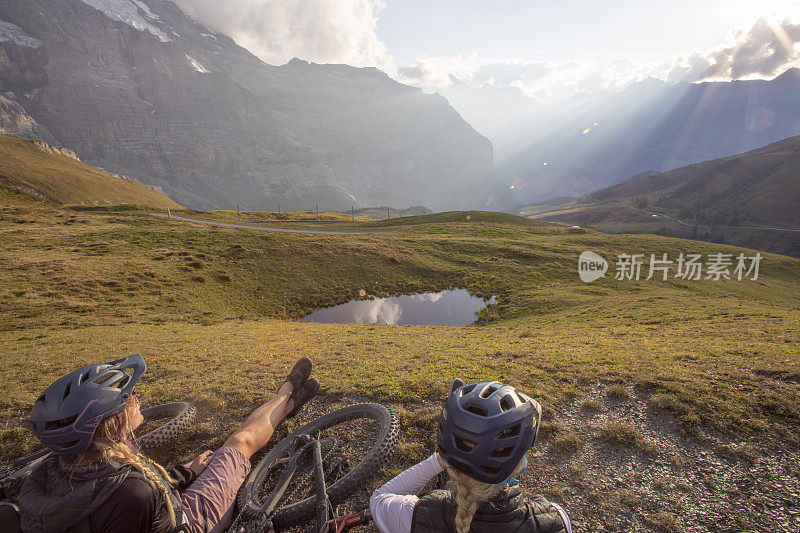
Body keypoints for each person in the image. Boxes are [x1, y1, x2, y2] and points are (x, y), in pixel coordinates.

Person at [18, 353, 320, 533]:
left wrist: (183, 473)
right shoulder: (134, 494)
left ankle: (287, 397)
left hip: (163, 506)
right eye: (127, 398)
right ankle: (286, 397)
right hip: (188, 520)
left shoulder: (55, 472)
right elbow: (151, 504)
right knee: (240, 441)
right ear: (111, 423)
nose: (136, 399)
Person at [370, 380, 572, 533]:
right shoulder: (555, 520)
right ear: (520, 459)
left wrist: (437, 461)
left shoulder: (414, 515)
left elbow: (378, 499)